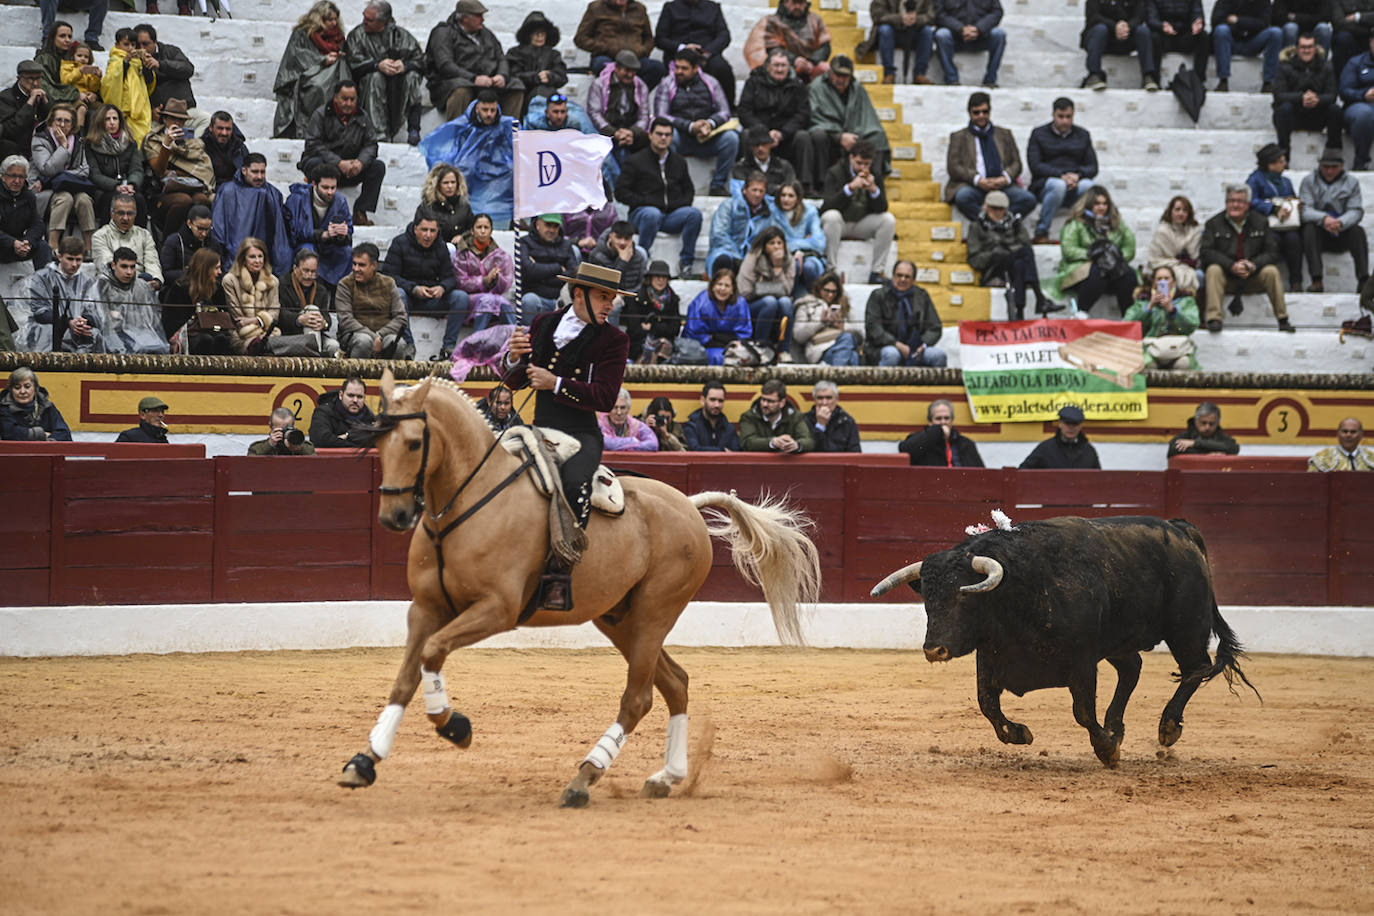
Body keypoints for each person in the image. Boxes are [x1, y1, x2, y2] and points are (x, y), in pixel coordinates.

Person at [502, 261, 635, 610]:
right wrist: (512, 358)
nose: (610, 304)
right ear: (579, 294)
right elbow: (514, 381)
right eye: (603, 296)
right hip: (540, 429)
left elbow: (606, 398)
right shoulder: (543, 324)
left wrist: (556, 383)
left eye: (612, 298)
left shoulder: (615, 340)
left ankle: (559, 575)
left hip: (581, 432)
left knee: (575, 483)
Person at [616, 117, 703, 280]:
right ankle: (641, 261)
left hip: (670, 216)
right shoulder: (636, 161)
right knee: (652, 214)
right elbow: (621, 192)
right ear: (650, 135)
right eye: (659, 134)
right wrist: (645, 201)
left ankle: (686, 264)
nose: (663, 138)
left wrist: (673, 205)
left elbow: (689, 191)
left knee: (694, 214)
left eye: (667, 135)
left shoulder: (679, 161)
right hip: (642, 215)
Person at [1201, 184, 1294, 332]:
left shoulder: (1261, 222)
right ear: (1226, 203)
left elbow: (1272, 252)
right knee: (1213, 270)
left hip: (1253, 277)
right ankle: (1214, 319)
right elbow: (1206, 253)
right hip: (1227, 278)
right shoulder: (1213, 223)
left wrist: (1252, 265)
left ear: (1248, 205)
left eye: (1240, 201)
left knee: (1271, 271)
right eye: (1231, 201)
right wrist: (1231, 265)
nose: (1235, 205)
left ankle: (1283, 319)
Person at [298, 81, 385, 228]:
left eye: (352, 99)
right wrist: (338, 163)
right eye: (345, 99)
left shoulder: (362, 116)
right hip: (326, 167)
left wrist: (360, 162)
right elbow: (313, 144)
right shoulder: (321, 114)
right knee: (314, 164)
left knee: (377, 167)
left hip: (351, 170)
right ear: (335, 98)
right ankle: (317, 212)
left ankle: (360, 211)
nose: (349, 103)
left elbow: (371, 145)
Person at [652, 49, 738, 196]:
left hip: (707, 136)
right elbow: (662, 116)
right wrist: (690, 126)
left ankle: (717, 185)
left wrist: (710, 124)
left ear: (696, 68)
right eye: (677, 67)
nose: (679, 71)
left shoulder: (711, 82)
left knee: (731, 139)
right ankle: (673, 184)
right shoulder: (667, 84)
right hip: (681, 137)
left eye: (684, 68)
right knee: (665, 136)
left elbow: (725, 111)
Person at [383, 213, 466, 360]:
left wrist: (442, 287)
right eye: (424, 230)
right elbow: (389, 276)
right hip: (408, 297)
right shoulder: (399, 243)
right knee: (398, 294)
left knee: (461, 297)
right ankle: (408, 345)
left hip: (432, 298)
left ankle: (448, 347)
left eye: (432, 231)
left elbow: (451, 277)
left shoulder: (441, 246)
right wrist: (414, 288)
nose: (428, 235)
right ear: (415, 229)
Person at [965, 189, 1056, 320]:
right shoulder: (977, 226)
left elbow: (1026, 245)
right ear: (986, 207)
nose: (997, 213)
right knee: (1022, 256)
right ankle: (1040, 298)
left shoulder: (1015, 224)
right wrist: (995, 252)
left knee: (1020, 263)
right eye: (993, 208)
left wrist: (1006, 247)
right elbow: (974, 259)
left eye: (1000, 209)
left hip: (1014, 265)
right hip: (994, 268)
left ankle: (1019, 311)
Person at [425, 0, 524, 120]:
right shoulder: (443, 32)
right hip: (450, 83)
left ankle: (510, 133)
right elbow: (445, 65)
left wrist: (502, 75)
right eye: (478, 16)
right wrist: (474, 78)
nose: (483, 19)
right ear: (465, 18)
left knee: (516, 86)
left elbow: (501, 58)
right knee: (461, 90)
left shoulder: (486, 33)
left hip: (486, 81)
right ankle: (457, 134)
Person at [945, 91, 1034, 222]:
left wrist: (1005, 178)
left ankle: (1001, 222)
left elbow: (1016, 163)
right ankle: (989, 223)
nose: (981, 116)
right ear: (969, 113)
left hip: (1002, 186)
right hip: (974, 186)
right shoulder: (959, 137)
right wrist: (978, 180)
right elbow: (953, 167)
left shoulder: (1004, 134)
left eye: (985, 112)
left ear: (990, 112)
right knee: (963, 197)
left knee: (1028, 199)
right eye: (976, 112)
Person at [345, 1, 425, 145]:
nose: (364, 22)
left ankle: (414, 129)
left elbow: (421, 61)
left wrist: (405, 65)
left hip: (398, 86)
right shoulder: (357, 35)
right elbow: (352, 66)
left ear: (383, 22)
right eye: (364, 17)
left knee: (412, 77)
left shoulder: (401, 36)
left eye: (369, 20)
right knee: (375, 77)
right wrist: (376, 65)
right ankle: (378, 133)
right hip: (368, 88)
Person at [1050, 186, 1137, 316]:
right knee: (1098, 269)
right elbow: (1069, 250)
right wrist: (1093, 255)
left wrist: (1114, 257)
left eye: (1104, 203)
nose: (1101, 207)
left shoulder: (1117, 224)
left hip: (1112, 272)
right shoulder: (1075, 224)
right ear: (1089, 204)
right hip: (1081, 273)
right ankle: (1081, 313)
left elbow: (1129, 247)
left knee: (1128, 274)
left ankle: (1129, 316)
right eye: (1097, 203)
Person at [804, 54, 892, 183]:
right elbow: (815, 118)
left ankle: (873, 182)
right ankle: (821, 184)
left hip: (854, 132)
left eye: (845, 76)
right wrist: (839, 136)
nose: (841, 79)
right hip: (829, 134)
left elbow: (867, 117)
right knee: (819, 136)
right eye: (837, 75)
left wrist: (854, 135)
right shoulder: (816, 87)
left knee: (878, 136)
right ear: (830, 73)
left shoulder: (857, 89)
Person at [738, 50, 816, 194]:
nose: (779, 69)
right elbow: (744, 111)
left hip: (785, 136)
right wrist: (764, 134)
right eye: (776, 65)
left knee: (803, 137)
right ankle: (745, 181)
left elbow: (803, 114)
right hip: (759, 134)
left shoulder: (797, 85)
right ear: (767, 67)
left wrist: (783, 133)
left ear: (789, 67)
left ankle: (805, 185)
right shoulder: (754, 82)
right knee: (746, 134)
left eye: (783, 65)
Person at [820, 139, 897, 284]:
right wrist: (849, 188)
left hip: (861, 223)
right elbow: (827, 206)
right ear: (851, 158)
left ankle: (876, 272)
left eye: (866, 164)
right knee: (831, 217)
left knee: (888, 220)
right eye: (859, 163)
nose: (862, 167)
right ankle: (831, 270)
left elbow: (882, 208)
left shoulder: (874, 174)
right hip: (840, 223)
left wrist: (873, 190)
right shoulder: (835, 172)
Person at [273, 1, 352, 140]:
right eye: (329, 19)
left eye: (335, 19)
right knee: (318, 88)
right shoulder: (302, 34)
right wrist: (321, 60)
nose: (334, 23)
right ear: (319, 19)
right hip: (308, 76)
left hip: (333, 76)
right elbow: (297, 57)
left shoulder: (338, 37)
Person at [1025, 98, 1098, 245]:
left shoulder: (1082, 135)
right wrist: (1062, 176)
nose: (1064, 121)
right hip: (1047, 186)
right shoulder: (1039, 134)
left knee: (1089, 187)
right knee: (1058, 185)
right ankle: (1042, 231)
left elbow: (1093, 167)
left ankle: (1088, 232)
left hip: (1075, 185)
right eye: (1061, 117)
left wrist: (1077, 176)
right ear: (1053, 115)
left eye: (1068, 117)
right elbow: (1036, 165)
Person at [141, 98, 215, 239]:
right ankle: (169, 243)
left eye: (181, 120)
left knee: (203, 200)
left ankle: (196, 241)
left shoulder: (192, 143)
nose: (177, 123)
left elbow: (201, 169)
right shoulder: (153, 139)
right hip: (162, 191)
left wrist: (176, 173)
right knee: (183, 201)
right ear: (165, 119)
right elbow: (159, 170)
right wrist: (167, 144)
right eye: (173, 119)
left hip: (191, 186)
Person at [1299, 147, 1368, 293]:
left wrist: (1340, 222)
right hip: (1319, 234)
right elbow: (1305, 210)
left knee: (1358, 231)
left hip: (1341, 231)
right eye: (1325, 167)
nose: (1329, 171)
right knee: (1309, 229)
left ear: (1342, 166)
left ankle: (1363, 280)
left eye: (1334, 167)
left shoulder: (1351, 182)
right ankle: (1316, 280)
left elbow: (1355, 210)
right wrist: (1324, 219)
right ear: (1320, 166)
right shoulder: (1309, 181)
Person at [211, 153, 293, 275]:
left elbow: (278, 233)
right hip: (234, 255)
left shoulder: (273, 193)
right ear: (244, 170)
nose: (259, 177)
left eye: (262, 172)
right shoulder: (227, 192)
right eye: (255, 172)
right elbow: (219, 228)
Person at [30, 104, 95, 256]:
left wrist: (62, 176)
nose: (62, 124)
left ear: (72, 124)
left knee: (85, 199)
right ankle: (53, 245)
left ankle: (89, 247)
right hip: (45, 190)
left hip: (71, 187)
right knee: (64, 198)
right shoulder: (40, 139)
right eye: (59, 120)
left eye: (67, 121)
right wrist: (63, 147)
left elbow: (84, 170)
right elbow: (47, 168)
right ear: (51, 121)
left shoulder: (77, 141)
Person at [19, 236, 98, 352]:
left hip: (77, 329)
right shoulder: (41, 278)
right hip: (49, 328)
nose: (75, 264)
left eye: (78, 260)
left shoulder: (87, 281)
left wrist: (84, 321)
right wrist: (68, 322)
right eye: (70, 259)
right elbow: (40, 313)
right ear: (59, 256)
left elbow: (93, 309)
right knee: (49, 333)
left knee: (96, 334)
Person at [863, 260, 947, 366]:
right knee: (891, 355)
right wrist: (896, 344)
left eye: (907, 277)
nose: (902, 279)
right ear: (893, 276)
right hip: (886, 346)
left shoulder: (922, 296)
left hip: (917, 348)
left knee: (938, 356)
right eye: (899, 275)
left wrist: (923, 344)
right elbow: (873, 327)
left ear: (914, 280)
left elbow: (935, 327)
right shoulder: (878, 296)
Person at [336, 243, 413, 359]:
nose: (356, 269)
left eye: (361, 265)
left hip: (385, 334)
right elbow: (345, 320)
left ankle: (391, 377)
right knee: (364, 341)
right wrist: (373, 337)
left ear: (374, 265)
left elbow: (401, 318)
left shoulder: (388, 283)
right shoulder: (345, 284)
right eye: (354, 264)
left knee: (398, 343)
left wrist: (380, 336)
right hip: (354, 335)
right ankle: (355, 377)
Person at [284, 163, 354, 288]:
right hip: (305, 244)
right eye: (325, 187)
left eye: (333, 188)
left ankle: (337, 293)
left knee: (346, 251)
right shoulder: (298, 199)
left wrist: (342, 234)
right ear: (314, 184)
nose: (330, 192)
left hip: (329, 246)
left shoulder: (340, 201)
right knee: (307, 250)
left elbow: (349, 231)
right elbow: (293, 232)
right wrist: (323, 234)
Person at [586, 51, 652, 182]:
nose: (630, 75)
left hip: (630, 132)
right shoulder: (600, 84)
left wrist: (631, 132)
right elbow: (594, 113)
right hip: (606, 131)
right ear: (616, 68)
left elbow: (644, 116)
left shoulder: (640, 86)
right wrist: (614, 133)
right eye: (627, 70)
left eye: (633, 71)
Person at [1273, 32, 1342, 154]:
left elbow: (1332, 95)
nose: (1306, 51)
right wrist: (1301, 98)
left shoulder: (1326, 67)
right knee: (1284, 109)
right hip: (1293, 115)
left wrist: (1317, 100)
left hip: (1318, 115)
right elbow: (1279, 95)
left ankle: (1333, 152)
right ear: (1297, 49)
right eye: (1303, 47)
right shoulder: (1284, 67)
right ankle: (1283, 154)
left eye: (1310, 47)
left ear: (1315, 48)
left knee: (1335, 110)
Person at [654, 0, 735, 104]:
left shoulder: (713, 7)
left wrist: (707, 51)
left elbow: (724, 36)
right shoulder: (670, 8)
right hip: (678, 54)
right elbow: (660, 39)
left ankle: (728, 108)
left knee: (722, 68)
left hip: (706, 53)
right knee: (680, 71)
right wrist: (682, 47)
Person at [1246, 144, 1303, 292]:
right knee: (1273, 241)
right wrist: (1272, 208)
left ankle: (1296, 281)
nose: (1284, 164)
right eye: (1281, 161)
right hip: (1265, 224)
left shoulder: (1285, 182)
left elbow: (1291, 197)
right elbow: (1250, 201)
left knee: (1294, 240)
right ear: (1270, 164)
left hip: (1286, 224)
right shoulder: (1255, 180)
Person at [575, 0, 667, 89]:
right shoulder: (596, 8)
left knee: (657, 68)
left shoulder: (639, 9)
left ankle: (635, 97)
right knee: (602, 66)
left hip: (635, 58)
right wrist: (605, 48)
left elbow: (648, 38)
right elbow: (580, 38)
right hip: (608, 57)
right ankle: (613, 98)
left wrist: (642, 50)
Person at [1124, 264, 1202, 368]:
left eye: (1166, 278)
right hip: (1150, 350)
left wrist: (1173, 311)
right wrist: (1149, 307)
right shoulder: (1142, 302)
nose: (1163, 282)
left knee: (1183, 364)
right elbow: (1130, 324)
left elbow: (1191, 326)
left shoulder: (1185, 300)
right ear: (1154, 283)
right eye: (1159, 279)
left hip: (1178, 349)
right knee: (1149, 364)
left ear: (1173, 282)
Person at [737, 225, 797, 358]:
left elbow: (787, 290)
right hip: (752, 305)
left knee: (785, 302)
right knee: (770, 302)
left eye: (779, 243)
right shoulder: (753, 258)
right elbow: (745, 291)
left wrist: (777, 268)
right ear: (764, 246)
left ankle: (784, 350)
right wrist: (771, 291)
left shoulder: (788, 260)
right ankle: (759, 348)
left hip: (777, 305)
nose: (776, 247)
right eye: (772, 243)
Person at [97, 245, 169, 354]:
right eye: (124, 266)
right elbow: (100, 318)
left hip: (142, 334)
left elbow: (153, 320)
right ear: (113, 265)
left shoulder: (142, 287)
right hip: (113, 335)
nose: (129, 272)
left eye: (132, 267)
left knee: (161, 349)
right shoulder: (101, 286)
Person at [452, 212, 515, 331]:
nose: (482, 231)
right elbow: (461, 282)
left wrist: (496, 278)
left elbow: (506, 283)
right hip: (468, 300)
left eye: (486, 228)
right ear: (472, 230)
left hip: (493, 298)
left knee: (504, 303)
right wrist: (484, 280)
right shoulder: (462, 254)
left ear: (491, 230)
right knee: (488, 300)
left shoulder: (501, 255)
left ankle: (512, 341)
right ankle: (477, 340)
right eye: (479, 227)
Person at [744, 0, 834, 82]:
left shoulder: (816, 20)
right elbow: (773, 49)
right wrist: (794, 60)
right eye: (794, 3)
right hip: (784, 64)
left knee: (826, 68)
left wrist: (812, 62)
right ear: (785, 2)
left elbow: (825, 46)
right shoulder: (773, 21)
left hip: (811, 66)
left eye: (801, 3)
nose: (797, 6)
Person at [85, 103, 145, 225]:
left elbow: (137, 170)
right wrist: (115, 186)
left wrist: (131, 185)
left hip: (127, 186)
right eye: (107, 119)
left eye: (115, 119)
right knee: (111, 200)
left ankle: (140, 238)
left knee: (139, 199)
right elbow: (94, 174)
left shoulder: (130, 142)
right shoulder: (91, 144)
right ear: (100, 122)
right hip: (104, 189)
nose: (112, 122)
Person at [1080, 0, 1158, 91]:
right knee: (1100, 29)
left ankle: (1148, 75)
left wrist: (1127, 27)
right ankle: (1094, 75)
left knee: (1143, 31)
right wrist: (1114, 27)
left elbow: (1139, 16)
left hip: (1125, 36)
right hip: (1102, 38)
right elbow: (1093, 16)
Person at [92, 194, 162, 293]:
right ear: (112, 214)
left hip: (142, 289)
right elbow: (107, 266)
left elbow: (152, 262)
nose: (125, 218)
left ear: (135, 215)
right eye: (121, 213)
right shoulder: (100, 236)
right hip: (110, 289)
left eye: (130, 213)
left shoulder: (144, 235)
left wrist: (156, 280)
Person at [221, 238, 280, 356]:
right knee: (262, 346)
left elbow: (275, 312)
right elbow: (238, 319)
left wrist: (257, 320)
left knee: (273, 345)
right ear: (243, 259)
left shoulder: (272, 281)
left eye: (260, 256)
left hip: (268, 332)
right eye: (252, 257)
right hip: (241, 335)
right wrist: (262, 327)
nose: (257, 261)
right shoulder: (230, 280)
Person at [518, 213, 581, 323]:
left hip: (561, 298)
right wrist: (558, 268)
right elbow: (528, 271)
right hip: (537, 298)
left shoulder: (566, 245)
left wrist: (539, 272)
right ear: (538, 224)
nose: (551, 230)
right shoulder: (524, 242)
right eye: (548, 225)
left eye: (555, 226)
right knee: (529, 301)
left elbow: (573, 274)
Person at [706, 171, 772, 275]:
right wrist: (737, 257)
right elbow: (718, 234)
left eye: (761, 191)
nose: (757, 194)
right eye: (754, 190)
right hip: (727, 251)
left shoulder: (769, 212)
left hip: (754, 256)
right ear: (745, 190)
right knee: (723, 260)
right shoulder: (729, 206)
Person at [276, 249, 338, 357]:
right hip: (290, 334)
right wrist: (299, 319)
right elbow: (280, 314)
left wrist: (323, 323)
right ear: (295, 269)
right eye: (306, 270)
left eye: (313, 272)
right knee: (312, 309)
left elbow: (327, 317)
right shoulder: (282, 284)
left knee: (334, 346)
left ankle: (315, 357)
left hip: (317, 334)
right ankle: (315, 362)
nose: (309, 275)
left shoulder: (321, 290)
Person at [684, 266, 753, 364]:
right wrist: (714, 339)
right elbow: (694, 332)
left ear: (732, 289)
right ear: (712, 286)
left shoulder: (740, 304)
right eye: (719, 284)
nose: (722, 289)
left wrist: (716, 336)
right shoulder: (701, 302)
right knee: (718, 356)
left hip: (733, 347)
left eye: (727, 286)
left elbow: (744, 333)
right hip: (704, 347)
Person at [164, 247, 228, 352]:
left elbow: (225, 311)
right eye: (216, 268)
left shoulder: (217, 288)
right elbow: (171, 320)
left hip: (212, 329)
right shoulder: (180, 288)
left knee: (221, 339)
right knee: (205, 341)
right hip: (187, 332)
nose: (220, 272)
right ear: (205, 268)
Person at [858, 0, 936, 85]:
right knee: (885, 30)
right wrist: (900, 19)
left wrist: (916, 19)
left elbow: (931, 16)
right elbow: (878, 15)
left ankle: (919, 74)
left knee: (927, 32)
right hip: (892, 32)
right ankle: (889, 73)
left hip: (914, 32)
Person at [507, 12, 569, 118]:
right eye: (536, 33)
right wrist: (536, 77)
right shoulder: (515, 53)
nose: (539, 36)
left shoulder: (553, 54)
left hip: (552, 98)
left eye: (542, 33)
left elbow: (563, 77)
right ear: (528, 35)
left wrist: (550, 76)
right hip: (524, 97)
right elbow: (512, 75)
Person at [932, 0, 1007, 87]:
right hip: (954, 37)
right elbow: (939, 14)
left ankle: (990, 79)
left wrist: (979, 28)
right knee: (942, 35)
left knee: (999, 34)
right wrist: (960, 29)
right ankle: (951, 79)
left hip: (981, 37)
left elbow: (997, 12)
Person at [36, 24, 97, 130]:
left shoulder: (74, 57)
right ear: (53, 38)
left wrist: (92, 94)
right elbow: (46, 86)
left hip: (75, 99)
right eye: (62, 36)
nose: (67, 40)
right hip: (53, 102)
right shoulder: (44, 58)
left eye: (69, 36)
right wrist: (76, 94)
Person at [1212, 0, 1282, 92]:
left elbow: (1264, 23)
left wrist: (1238, 20)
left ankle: (1268, 82)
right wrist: (1248, 25)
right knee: (1221, 30)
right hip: (1231, 42)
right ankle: (1223, 81)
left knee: (1276, 33)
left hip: (1253, 42)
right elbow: (1216, 21)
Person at [771, 180, 827, 295]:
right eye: (783, 195)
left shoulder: (810, 211)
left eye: (790, 196)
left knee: (810, 267)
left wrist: (799, 250)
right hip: (780, 255)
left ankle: (814, 298)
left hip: (808, 254)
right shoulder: (773, 211)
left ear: (798, 198)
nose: (786, 199)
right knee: (794, 265)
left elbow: (819, 242)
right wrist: (801, 244)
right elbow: (769, 239)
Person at [793, 270, 861, 365]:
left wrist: (843, 327)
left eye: (834, 292)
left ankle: (836, 377)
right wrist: (820, 323)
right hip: (820, 350)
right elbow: (798, 335)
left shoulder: (844, 305)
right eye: (827, 290)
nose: (830, 295)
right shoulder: (806, 305)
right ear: (819, 288)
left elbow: (860, 334)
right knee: (851, 353)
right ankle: (839, 376)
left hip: (843, 343)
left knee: (851, 351)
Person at [99, 29, 152, 145]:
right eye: (126, 44)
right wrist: (125, 63)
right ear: (117, 45)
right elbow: (109, 84)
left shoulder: (138, 63)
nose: (130, 48)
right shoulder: (115, 62)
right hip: (124, 111)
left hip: (140, 110)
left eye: (133, 44)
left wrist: (147, 66)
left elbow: (148, 85)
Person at [623, 259, 682, 363]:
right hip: (637, 346)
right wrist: (663, 327)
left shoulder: (673, 299)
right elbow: (634, 329)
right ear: (650, 278)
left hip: (665, 346)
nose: (661, 280)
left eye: (664, 277)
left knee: (664, 346)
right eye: (657, 277)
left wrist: (652, 326)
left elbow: (675, 328)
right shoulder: (635, 299)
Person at [159, 205, 218, 305]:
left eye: (207, 229)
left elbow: (220, 269)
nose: (204, 233)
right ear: (189, 223)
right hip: (180, 292)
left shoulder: (213, 243)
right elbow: (166, 272)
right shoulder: (174, 241)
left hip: (208, 291)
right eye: (200, 229)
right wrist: (194, 275)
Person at [0, 155, 50, 272]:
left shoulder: (29, 197)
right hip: (5, 243)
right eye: (13, 176)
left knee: (43, 247)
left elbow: (37, 224)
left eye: (21, 177)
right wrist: (12, 242)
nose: (17, 181)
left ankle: (44, 284)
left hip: (17, 246)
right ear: (3, 177)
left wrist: (28, 241)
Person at [899, 398, 985, 466]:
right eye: (938, 418)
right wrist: (936, 432)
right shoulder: (920, 440)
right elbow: (904, 449)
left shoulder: (966, 444)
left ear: (952, 421)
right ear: (930, 422)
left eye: (947, 418)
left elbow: (981, 473)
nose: (943, 422)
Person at [133, 23, 196, 113]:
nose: (142, 48)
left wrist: (161, 65)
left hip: (184, 109)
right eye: (138, 45)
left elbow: (188, 69)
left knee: (205, 120)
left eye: (145, 44)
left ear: (155, 42)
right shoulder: (133, 60)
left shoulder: (171, 51)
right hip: (157, 112)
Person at [739, 378, 815, 453]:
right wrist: (772, 442)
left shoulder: (795, 417)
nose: (765, 404)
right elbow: (746, 442)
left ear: (782, 403)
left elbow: (809, 441)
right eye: (763, 399)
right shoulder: (749, 416)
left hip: (787, 463)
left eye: (770, 401)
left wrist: (797, 445)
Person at [1147, 194, 1203, 294]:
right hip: (1164, 265)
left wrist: (1185, 262)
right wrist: (1178, 263)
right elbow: (1155, 258)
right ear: (1171, 211)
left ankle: (1195, 306)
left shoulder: (1194, 230)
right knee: (1167, 276)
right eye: (1177, 209)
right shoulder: (1162, 231)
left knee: (1199, 275)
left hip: (1188, 267)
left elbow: (1194, 256)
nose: (1181, 213)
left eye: (1185, 210)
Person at [0, 367, 72, 441]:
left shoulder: (47, 406)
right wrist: (42, 435)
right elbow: (9, 433)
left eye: (27, 387)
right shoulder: (3, 408)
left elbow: (64, 434)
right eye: (17, 388)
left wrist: (46, 442)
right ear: (11, 390)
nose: (22, 391)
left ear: (35, 388)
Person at [1019, 404, 1101, 469]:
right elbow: (1023, 472)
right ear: (1060, 424)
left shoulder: (1089, 451)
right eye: (1067, 423)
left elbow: (1099, 480)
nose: (1071, 428)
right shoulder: (1045, 449)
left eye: (1075, 424)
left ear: (1080, 426)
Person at [1147, 0, 1211, 82]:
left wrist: (1197, 22)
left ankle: (1198, 79)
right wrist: (1161, 26)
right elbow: (1151, 18)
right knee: (1153, 37)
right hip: (1164, 36)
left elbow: (1197, 13)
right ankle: (1154, 79)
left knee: (1203, 36)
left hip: (1184, 36)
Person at [0, 60, 49, 162]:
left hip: (39, 148)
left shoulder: (43, 94)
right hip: (15, 151)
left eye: (38, 78)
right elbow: (10, 130)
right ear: (19, 79)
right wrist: (30, 103)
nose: (35, 83)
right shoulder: (6, 97)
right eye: (30, 79)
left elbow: (52, 118)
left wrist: (45, 103)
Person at [309, 375, 377, 448]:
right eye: (351, 395)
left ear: (364, 398)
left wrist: (344, 437)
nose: (355, 400)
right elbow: (321, 440)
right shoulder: (323, 412)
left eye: (359, 397)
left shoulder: (370, 418)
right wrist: (351, 436)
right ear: (341, 395)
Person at [1339, 32, 1374, 171]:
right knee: (1364, 114)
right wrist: (1364, 95)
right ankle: (1361, 160)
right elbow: (1344, 90)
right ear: (1371, 41)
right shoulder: (1356, 62)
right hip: (1358, 106)